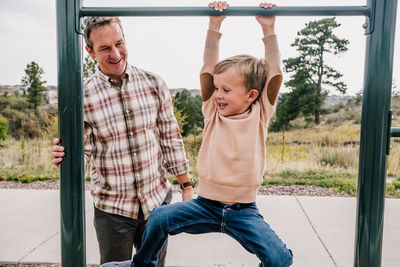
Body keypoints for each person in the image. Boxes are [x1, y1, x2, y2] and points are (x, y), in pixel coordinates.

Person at [101, 2, 293, 267]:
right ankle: (141, 265)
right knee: (158, 218)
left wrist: (269, 29)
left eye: (226, 90)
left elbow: (274, 75)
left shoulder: (260, 113)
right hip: (205, 205)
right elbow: (208, 67)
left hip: (243, 212)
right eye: (216, 88)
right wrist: (214, 25)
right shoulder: (212, 111)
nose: (218, 95)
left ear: (251, 96)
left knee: (280, 259)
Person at [51, 16, 195, 266]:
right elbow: (81, 150)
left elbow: (170, 138)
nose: (115, 53)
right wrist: (65, 155)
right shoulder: (82, 96)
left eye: (119, 43)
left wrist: (187, 186)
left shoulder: (153, 83)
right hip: (113, 209)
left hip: (156, 202)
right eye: (105, 48)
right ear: (90, 52)